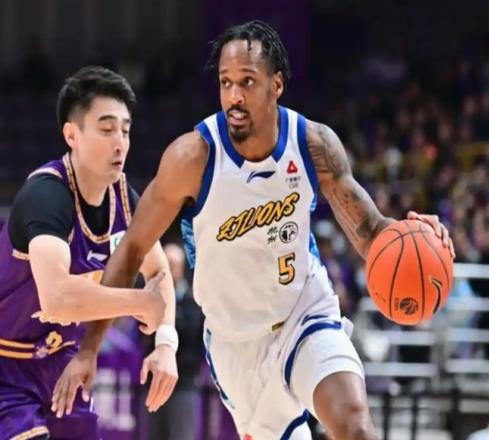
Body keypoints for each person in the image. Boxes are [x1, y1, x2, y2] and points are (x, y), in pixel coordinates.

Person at [54, 22, 455, 439]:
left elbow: (371, 229)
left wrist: (412, 234)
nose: (234, 96)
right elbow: (133, 248)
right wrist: (89, 348)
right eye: (225, 82)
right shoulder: (192, 158)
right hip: (237, 344)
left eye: (247, 81)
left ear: (276, 85)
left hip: (304, 311)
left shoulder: (314, 145)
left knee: (355, 426)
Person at [0, 66, 178, 440]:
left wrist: (165, 342)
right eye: (106, 129)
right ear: (72, 135)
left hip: (61, 363)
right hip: (5, 364)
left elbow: (159, 272)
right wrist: (138, 302)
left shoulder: (125, 200)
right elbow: (58, 298)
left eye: (125, 130)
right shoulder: (46, 197)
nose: (120, 142)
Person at [148, 243, 204, 440]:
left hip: (185, 383)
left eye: (173, 264)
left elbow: (193, 335)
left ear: (181, 267)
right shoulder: (148, 297)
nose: (169, 269)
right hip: (153, 382)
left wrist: (167, 326)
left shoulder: (194, 299)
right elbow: (143, 334)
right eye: (166, 263)